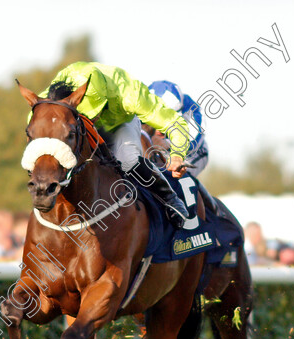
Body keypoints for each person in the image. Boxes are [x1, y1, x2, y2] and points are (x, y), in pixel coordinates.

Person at [42, 62, 193, 227]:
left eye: (95, 111)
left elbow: (173, 122)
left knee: (127, 159)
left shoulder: (130, 93)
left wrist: (178, 154)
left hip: (119, 124)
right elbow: (34, 118)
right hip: (74, 123)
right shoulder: (59, 89)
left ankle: (169, 198)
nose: (93, 118)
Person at [147, 81, 209, 178]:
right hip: (162, 148)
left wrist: (166, 144)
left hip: (194, 153)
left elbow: (192, 143)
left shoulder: (193, 111)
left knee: (177, 177)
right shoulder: (143, 103)